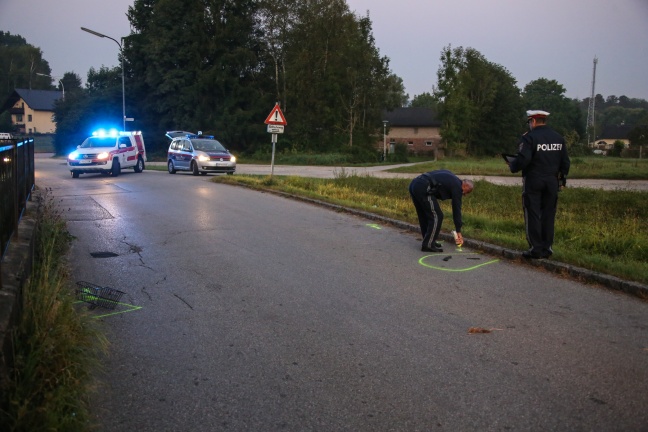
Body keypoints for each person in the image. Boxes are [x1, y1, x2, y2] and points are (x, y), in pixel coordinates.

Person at [507, 110, 570, 259]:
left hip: (534, 179)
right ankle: (547, 248)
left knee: (533, 213)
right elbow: (565, 162)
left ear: (533, 121)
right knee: (549, 214)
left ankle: (536, 248)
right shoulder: (558, 138)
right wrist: (562, 179)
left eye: (529, 122)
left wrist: (513, 166)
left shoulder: (529, 138)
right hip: (552, 181)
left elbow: (523, 159)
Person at [409, 170, 474, 252]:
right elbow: (456, 209)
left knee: (424, 214)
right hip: (424, 187)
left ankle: (429, 240)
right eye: (467, 192)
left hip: (414, 184)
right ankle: (428, 245)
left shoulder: (453, 178)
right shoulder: (457, 187)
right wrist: (458, 230)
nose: (464, 194)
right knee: (437, 216)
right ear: (465, 186)